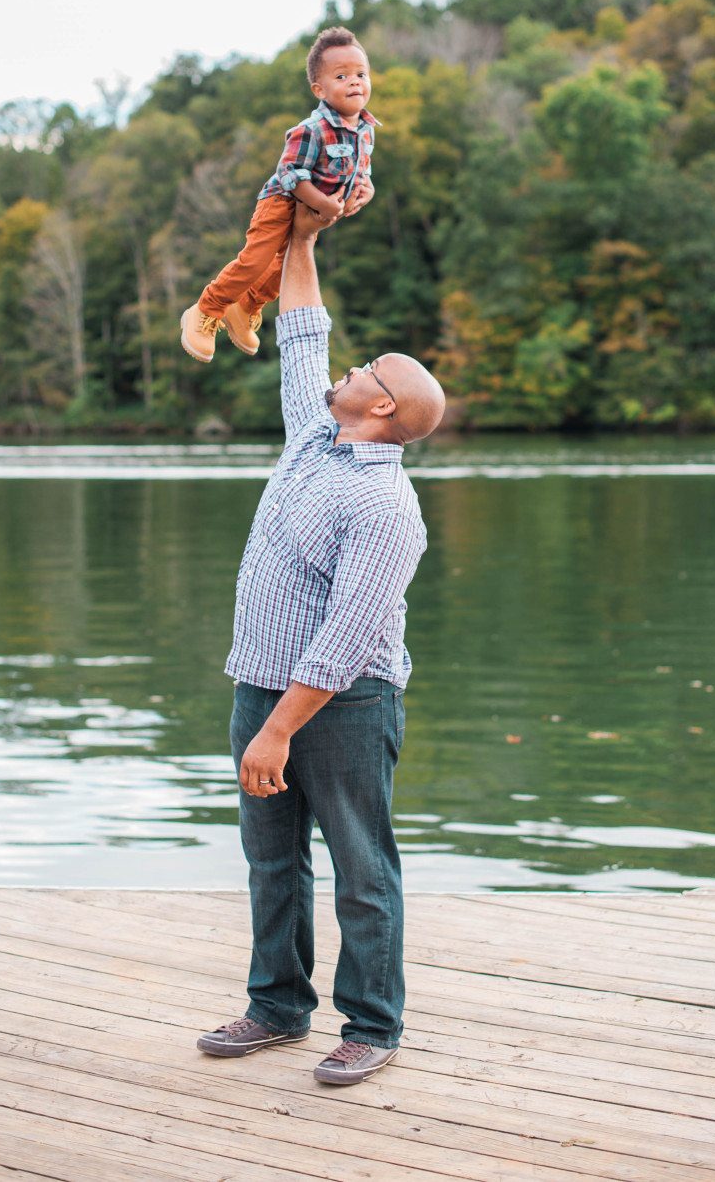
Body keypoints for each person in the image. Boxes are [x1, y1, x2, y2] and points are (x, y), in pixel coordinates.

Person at [197, 201, 446, 1086]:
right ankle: (276, 1007)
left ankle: (373, 1025)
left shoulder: (387, 507)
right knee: (271, 861)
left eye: (367, 368)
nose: (350, 364)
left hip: (344, 706)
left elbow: (343, 644)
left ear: (381, 405)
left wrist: (277, 732)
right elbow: (304, 335)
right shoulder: (314, 435)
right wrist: (301, 236)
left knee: (361, 868)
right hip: (260, 687)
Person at [180, 26, 378, 362]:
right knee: (256, 260)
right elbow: (290, 173)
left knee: (282, 269)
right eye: (341, 76)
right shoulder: (311, 129)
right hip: (282, 201)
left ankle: (245, 308)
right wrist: (322, 202)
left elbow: (361, 171)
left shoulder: (366, 131)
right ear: (319, 89)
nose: (355, 82)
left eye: (361, 74)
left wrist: (365, 191)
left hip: (315, 211)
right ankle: (207, 309)